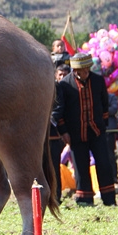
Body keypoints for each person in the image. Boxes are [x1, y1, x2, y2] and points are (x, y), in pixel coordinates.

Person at [53, 52, 116, 206]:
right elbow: (60, 110)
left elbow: (104, 104)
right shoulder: (65, 85)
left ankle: (109, 199)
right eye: (82, 70)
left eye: (88, 69)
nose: (86, 72)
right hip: (75, 133)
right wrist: (64, 131)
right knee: (81, 167)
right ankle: (84, 200)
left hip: (97, 131)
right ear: (75, 70)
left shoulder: (98, 81)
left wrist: (104, 124)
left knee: (104, 164)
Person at [49, 64, 71, 202]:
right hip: (35, 137)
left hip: (52, 133)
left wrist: (48, 119)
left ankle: (56, 196)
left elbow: (58, 108)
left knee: (54, 166)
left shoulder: (56, 87)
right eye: (60, 74)